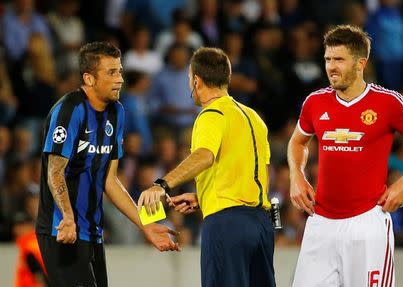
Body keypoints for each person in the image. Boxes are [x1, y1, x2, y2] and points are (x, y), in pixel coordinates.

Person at [287, 25, 403, 287]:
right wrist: (296, 176)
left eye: (339, 59)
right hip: (320, 224)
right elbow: (297, 142)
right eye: (327, 59)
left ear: (361, 63)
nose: (331, 67)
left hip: (367, 224)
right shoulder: (315, 102)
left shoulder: (389, 102)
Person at [35, 41, 179, 287]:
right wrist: (68, 217)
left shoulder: (117, 112)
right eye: (111, 73)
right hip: (62, 231)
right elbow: (55, 170)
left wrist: (146, 224)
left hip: (93, 233)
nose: (120, 79)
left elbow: (109, 180)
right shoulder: (69, 110)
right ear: (89, 79)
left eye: (120, 71)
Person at [138, 47, 276, 287]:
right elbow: (260, 175)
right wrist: (203, 197)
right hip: (262, 226)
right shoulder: (254, 117)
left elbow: (204, 155)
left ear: (196, 80)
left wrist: (162, 185)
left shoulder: (211, 113)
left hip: (226, 225)